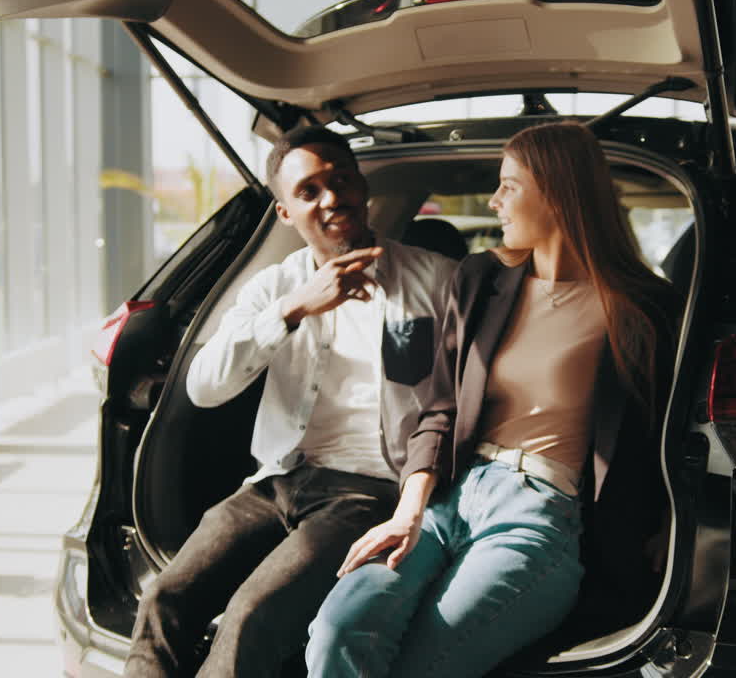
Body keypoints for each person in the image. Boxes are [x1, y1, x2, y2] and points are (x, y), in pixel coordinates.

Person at [305, 121, 681, 678]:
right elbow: (440, 408)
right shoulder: (481, 279)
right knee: (336, 634)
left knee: (421, 666)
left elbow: (671, 427)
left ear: (556, 190)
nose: (494, 200)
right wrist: (407, 514)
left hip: (539, 514)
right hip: (448, 499)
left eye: (509, 186)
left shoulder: (640, 306)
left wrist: (669, 524)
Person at [124, 125, 456, 678]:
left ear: (361, 187)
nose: (331, 199)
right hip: (274, 480)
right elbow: (205, 387)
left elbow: (460, 399)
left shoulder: (436, 280)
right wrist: (293, 309)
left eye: (341, 181)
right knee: (165, 599)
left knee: (250, 617)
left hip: (368, 489)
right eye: (308, 192)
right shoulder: (272, 288)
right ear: (285, 214)